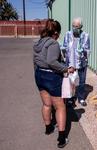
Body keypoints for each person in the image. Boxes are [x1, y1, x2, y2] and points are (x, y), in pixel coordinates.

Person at [33, 19, 73, 148]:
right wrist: (66, 69)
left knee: (46, 104)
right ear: (55, 33)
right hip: (51, 76)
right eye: (59, 33)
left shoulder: (38, 42)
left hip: (39, 74)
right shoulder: (53, 44)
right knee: (60, 106)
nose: (59, 36)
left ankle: (48, 127)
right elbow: (52, 62)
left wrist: (39, 74)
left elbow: (35, 60)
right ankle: (62, 138)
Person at [63, 17, 91, 106]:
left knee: (82, 81)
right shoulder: (67, 34)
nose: (75, 28)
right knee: (71, 81)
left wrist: (82, 50)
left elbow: (88, 49)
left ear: (81, 27)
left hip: (81, 62)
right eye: (73, 26)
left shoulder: (85, 35)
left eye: (77, 26)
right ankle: (70, 98)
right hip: (70, 62)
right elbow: (64, 46)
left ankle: (81, 98)